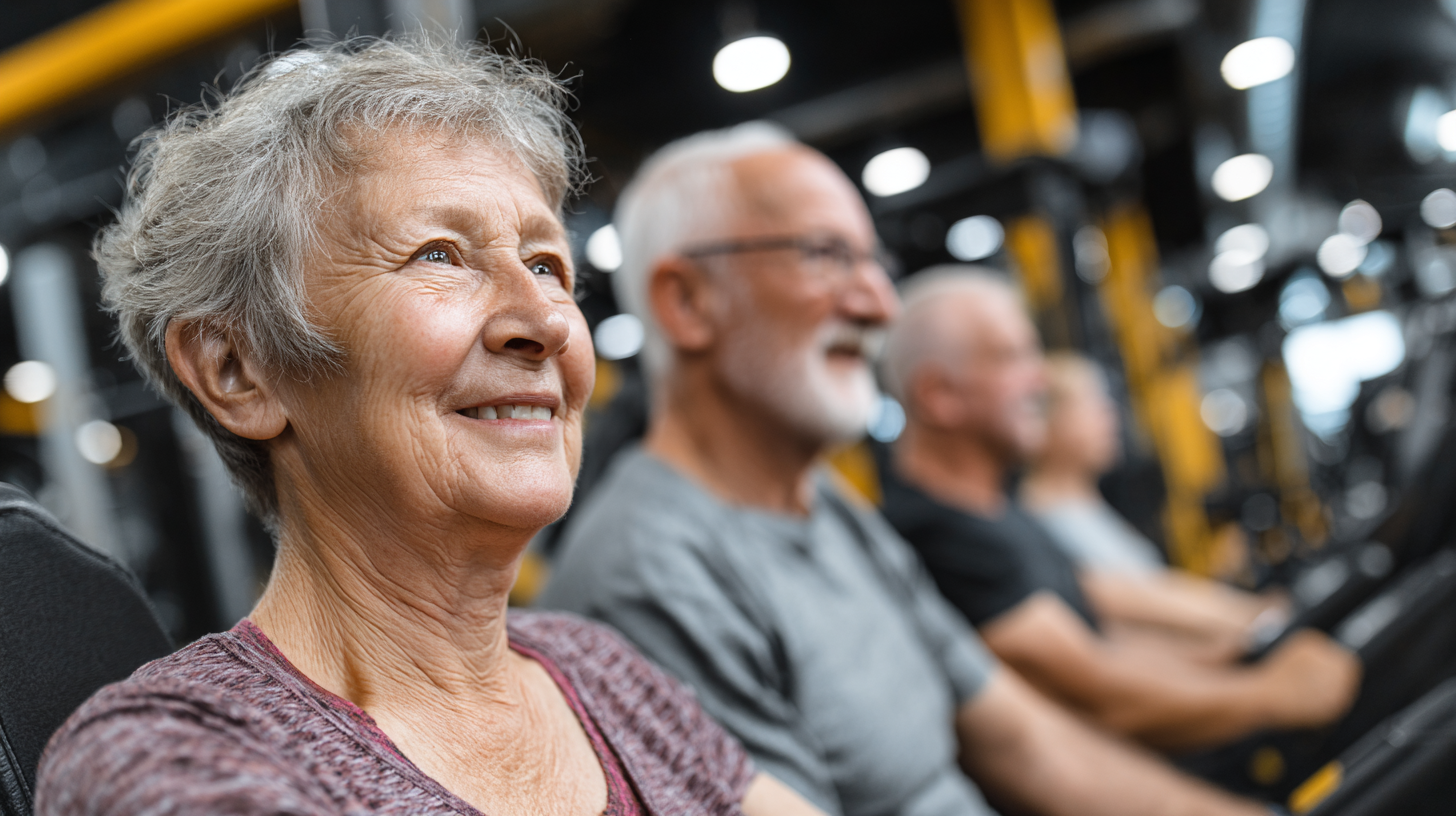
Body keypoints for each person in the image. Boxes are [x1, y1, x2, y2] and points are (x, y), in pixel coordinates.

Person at [36, 38, 820, 816]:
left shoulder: (599, 672)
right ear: (238, 370)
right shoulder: (173, 758)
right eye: (439, 255)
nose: (546, 320)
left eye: (546, 264)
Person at [539, 122, 1266, 816]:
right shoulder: (653, 575)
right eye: (826, 255)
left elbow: (1029, 742)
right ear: (687, 301)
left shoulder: (829, 506)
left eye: (874, 263)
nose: (879, 303)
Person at [878, 268, 1361, 752]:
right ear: (939, 396)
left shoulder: (999, 514)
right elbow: (1098, 698)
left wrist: (1239, 639)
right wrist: (1269, 693)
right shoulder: (932, 535)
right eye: (1011, 356)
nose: (1040, 378)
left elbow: (1108, 624)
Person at [1021, 351, 1285, 652]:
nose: (1110, 416)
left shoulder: (1086, 505)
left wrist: (1242, 608)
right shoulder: (1041, 521)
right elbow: (1125, 605)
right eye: (1093, 404)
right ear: (1046, 421)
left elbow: (1154, 593)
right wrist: (1248, 617)